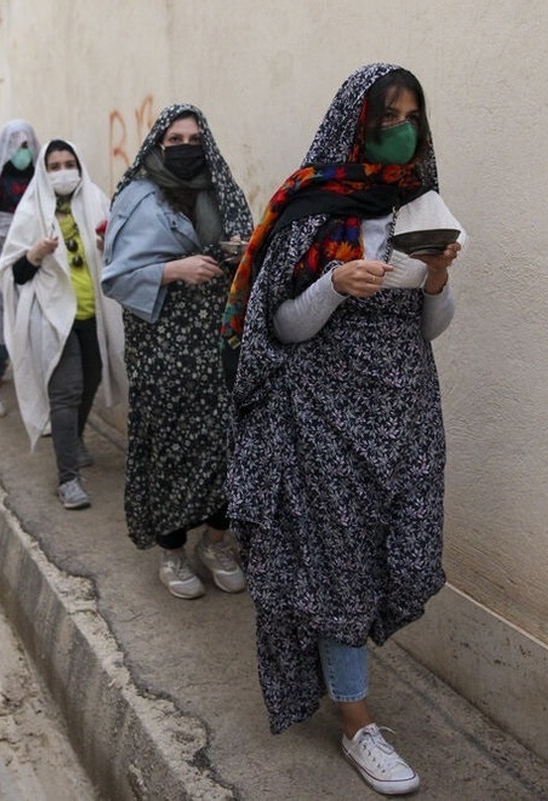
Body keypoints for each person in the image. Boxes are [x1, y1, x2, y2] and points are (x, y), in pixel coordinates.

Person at [222, 64, 463, 796]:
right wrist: (334, 282)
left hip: (405, 413)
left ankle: (351, 692)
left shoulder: (422, 205)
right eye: (390, 115)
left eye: (414, 116)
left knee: (405, 546)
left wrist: (437, 279)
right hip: (324, 418)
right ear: (357, 120)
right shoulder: (313, 206)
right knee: (339, 567)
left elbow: (434, 326)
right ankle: (358, 720)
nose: (404, 131)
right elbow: (281, 328)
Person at [101, 104, 251, 599]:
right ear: (157, 145)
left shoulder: (221, 190)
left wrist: (236, 253)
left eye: (193, 140)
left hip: (218, 343)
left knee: (226, 445)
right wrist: (173, 270)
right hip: (162, 347)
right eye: (174, 140)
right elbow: (116, 277)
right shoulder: (137, 197)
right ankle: (172, 553)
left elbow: (251, 249)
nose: (185, 148)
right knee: (170, 448)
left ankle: (215, 542)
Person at [0, 139, 127, 510]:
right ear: (43, 171)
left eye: (69, 163)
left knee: (91, 378)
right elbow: (13, 274)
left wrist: (107, 243)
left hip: (92, 311)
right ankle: (68, 478)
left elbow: (119, 246)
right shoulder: (30, 211)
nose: (62, 171)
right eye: (54, 166)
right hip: (53, 316)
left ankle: (75, 440)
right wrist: (34, 254)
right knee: (66, 390)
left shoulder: (96, 200)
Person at [0, 120, 40, 417]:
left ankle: (39, 402)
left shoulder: (39, 177)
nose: (21, 153)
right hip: (0, 252)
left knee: (33, 325)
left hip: (34, 254)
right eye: (16, 146)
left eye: (26, 146)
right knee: (3, 324)